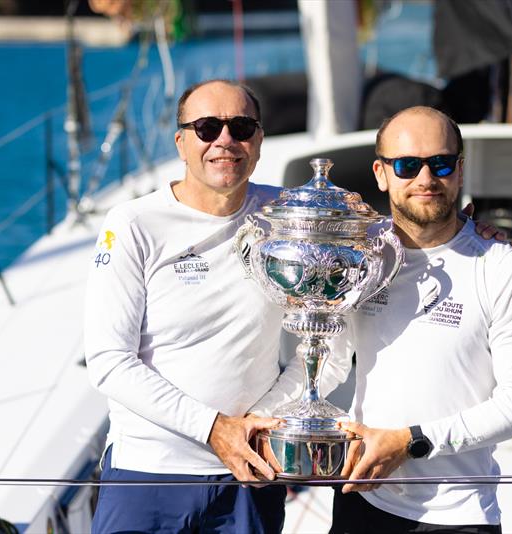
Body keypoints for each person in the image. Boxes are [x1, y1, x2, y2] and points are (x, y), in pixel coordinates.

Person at [83, 79, 353, 533]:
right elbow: (109, 361)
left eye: (242, 127)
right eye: (207, 128)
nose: (225, 140)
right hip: (149, 474)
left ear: (260, 141)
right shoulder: (132, 225)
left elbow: (335, 345)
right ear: (181, 143)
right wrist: (215, 429)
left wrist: (257, 424)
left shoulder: (288, 217)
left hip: (251, 474)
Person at [330, 106, 512, 534]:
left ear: (460, 170)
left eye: (441, 163)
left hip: (459, 517)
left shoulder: (502, 267)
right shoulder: (360, 259)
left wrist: (409, 441)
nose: (426, 179)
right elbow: (330, 356)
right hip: (363, 500)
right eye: (408, 165)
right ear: (381, 173)